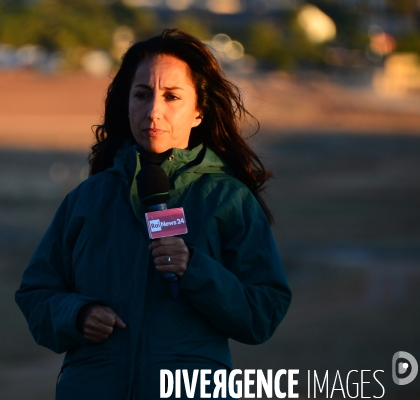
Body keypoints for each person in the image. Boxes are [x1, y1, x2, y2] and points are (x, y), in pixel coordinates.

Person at [15, 29, 291, 399]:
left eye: (171, 97)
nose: (153, 111)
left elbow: (263, 312)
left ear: (198, 111)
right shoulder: (88, 199)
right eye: (142, 95)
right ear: (126, 104)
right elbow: (36, 293)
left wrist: (194, 268)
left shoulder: (227, 199)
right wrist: (76, 315)